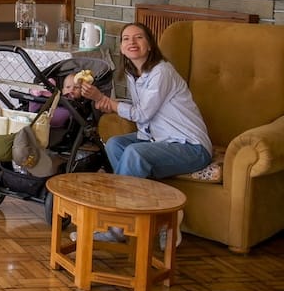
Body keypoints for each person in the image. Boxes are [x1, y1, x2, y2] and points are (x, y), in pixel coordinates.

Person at [73, 22, 212, 245]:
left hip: (190, 146)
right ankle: (164, 217)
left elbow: (144, 113)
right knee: (115, 144)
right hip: (158, 138)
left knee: (135, 154)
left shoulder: (161, 72)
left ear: (149, 45)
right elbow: (143, 111)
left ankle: (117, 226)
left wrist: (105, 100)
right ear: (121, 47)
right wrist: (106, 102)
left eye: (138, 37)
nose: (132, 42)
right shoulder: (133, 73)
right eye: (126, 39)